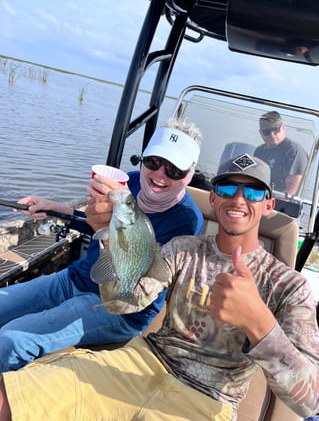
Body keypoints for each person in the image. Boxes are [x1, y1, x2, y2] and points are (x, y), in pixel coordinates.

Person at [1, 153, 318, 421]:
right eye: (227, 188)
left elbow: (309, 401)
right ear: (213, 197)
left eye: (252, 193)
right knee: (9, 398)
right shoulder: (182, 249)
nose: (238, 199)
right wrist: (111, 237)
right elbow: (122, 304)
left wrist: (258, 322)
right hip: (142, 362)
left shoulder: (289, 286)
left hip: (209, 399)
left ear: (268, 204)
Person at [0, 117, 204, 373]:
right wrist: (53, 208)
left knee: (13, 340)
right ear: (142, 160)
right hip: (75, 278)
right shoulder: (128, 182)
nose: (160, 175)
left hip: (119, 308)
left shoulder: (186, 221)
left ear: (190, 174)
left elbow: (133, 291)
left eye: (174, 170)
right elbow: (92, 223)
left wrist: (109, 232)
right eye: (154, 162)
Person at [254, 110, 308, 195]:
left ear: (283, 127)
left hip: (282, 206)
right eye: (266, 132)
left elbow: (291, 192)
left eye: (275, 130)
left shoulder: (295, 151)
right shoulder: (259, 151)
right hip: (259, 198)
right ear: (261, 133)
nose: (272, 135)